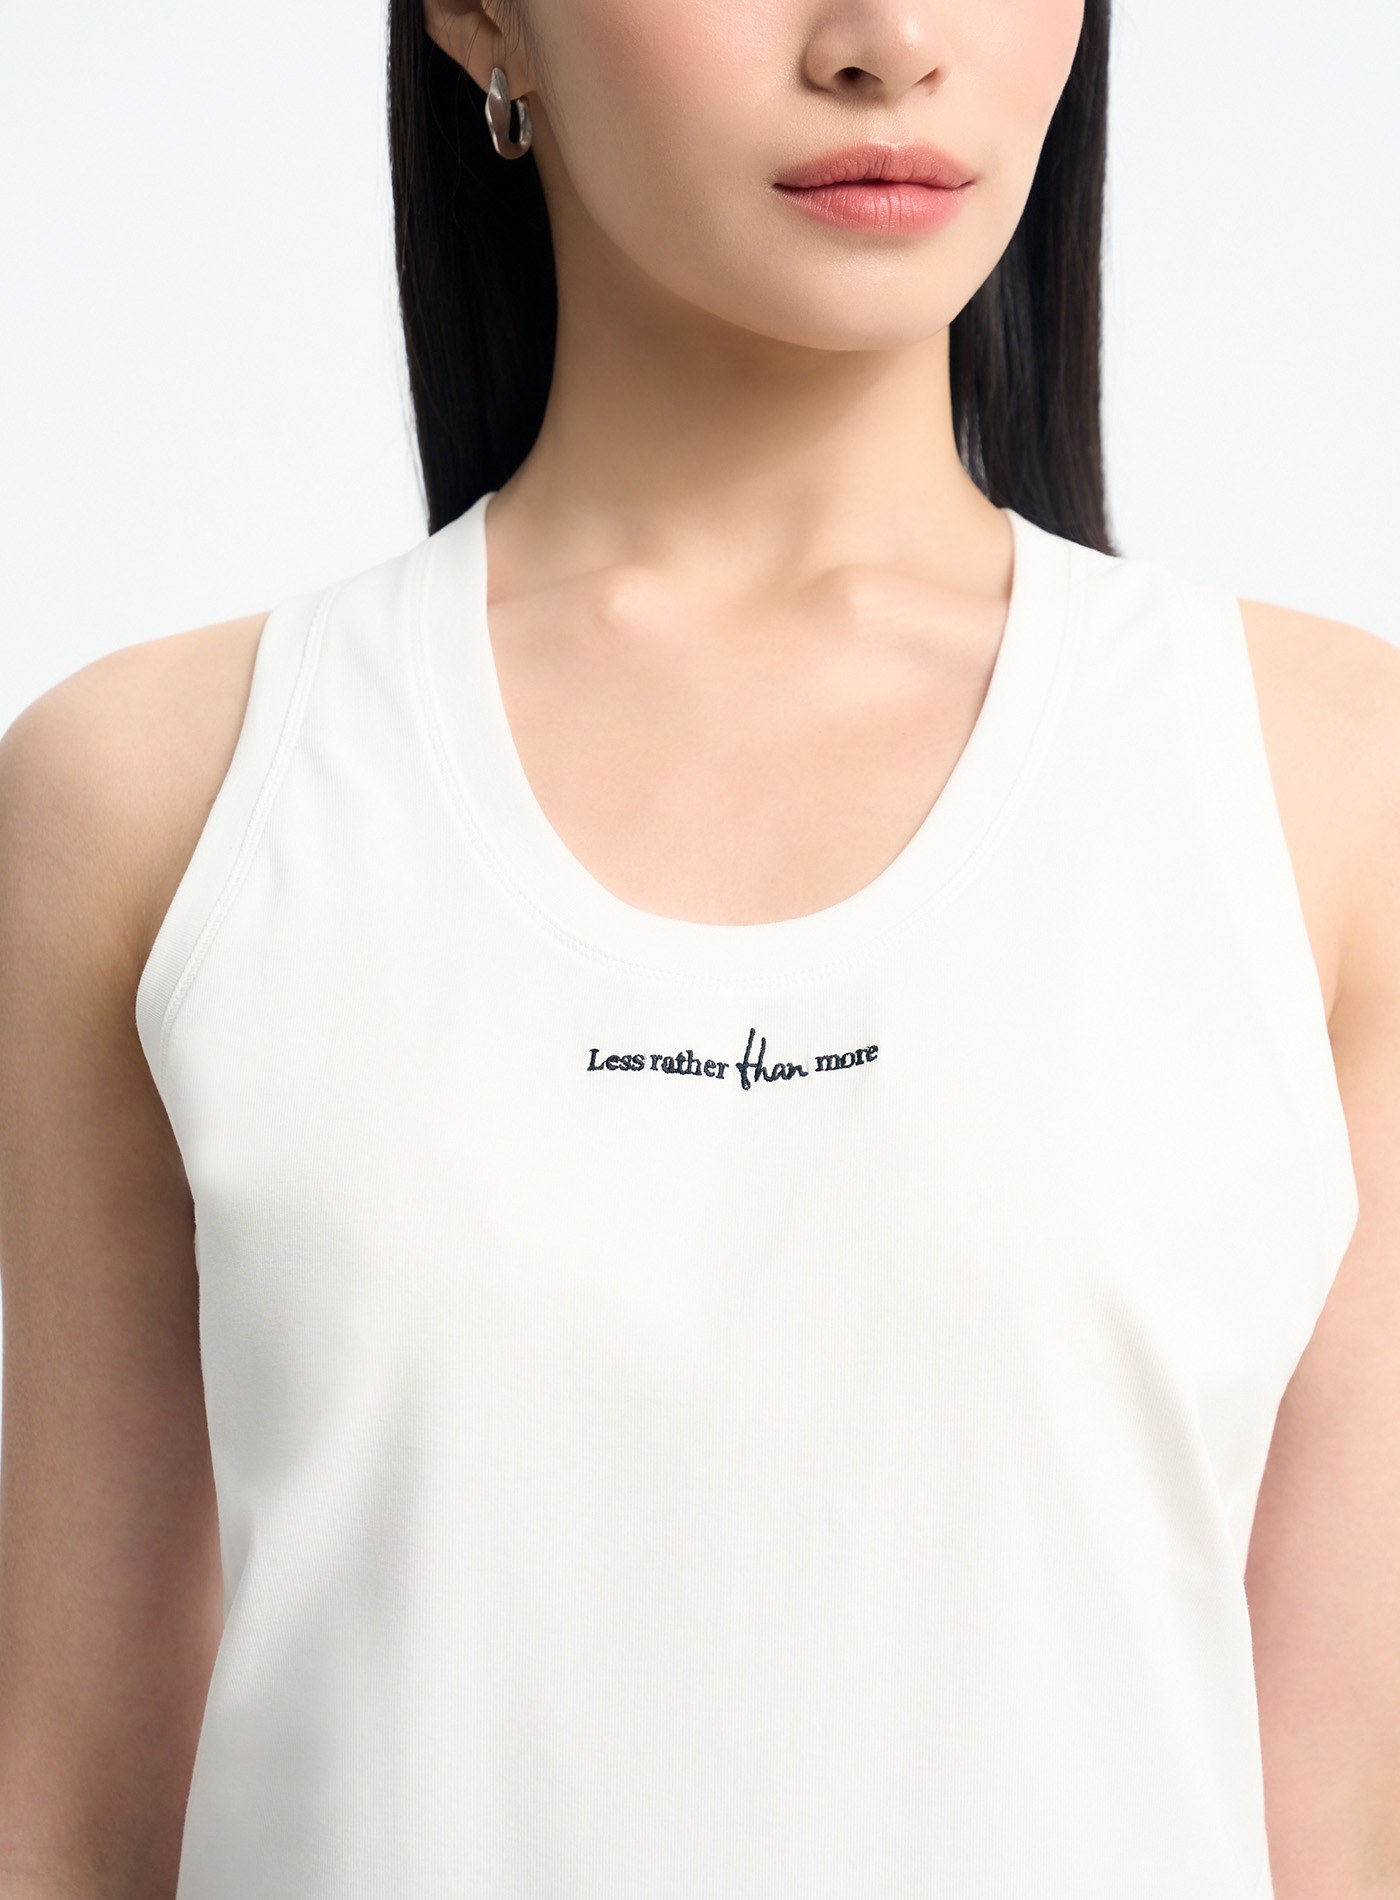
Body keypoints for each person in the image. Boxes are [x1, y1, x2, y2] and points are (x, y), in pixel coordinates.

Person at [1, 1, 1397, 1895]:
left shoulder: (1324, 790)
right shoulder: (159, 800)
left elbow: (1341, 1828)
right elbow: (71, 1823)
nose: (888, 40)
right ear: (480, 14)